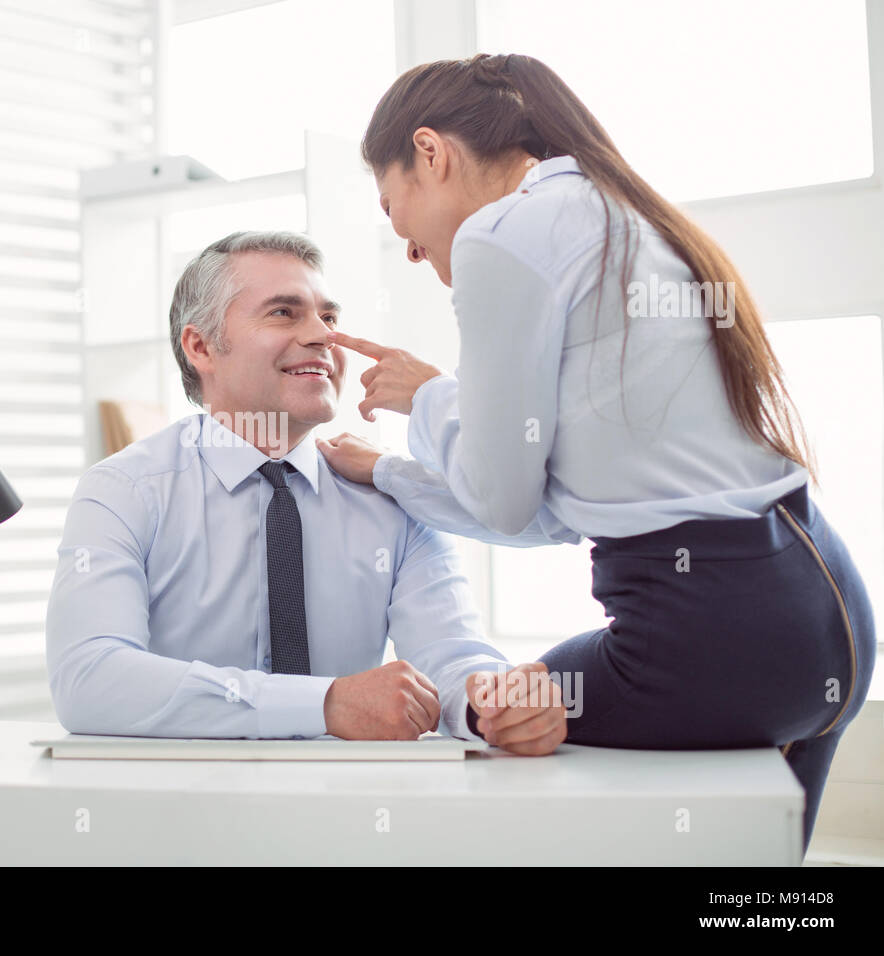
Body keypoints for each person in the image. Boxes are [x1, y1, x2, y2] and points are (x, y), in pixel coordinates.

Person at [315, 53, 875, 852]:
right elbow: (551, 517)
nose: (421, 257)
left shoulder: (500, 233)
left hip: (709, 636)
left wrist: (431, 396)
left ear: (430, 153)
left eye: (399, 223)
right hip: (826, 613)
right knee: (767, 887)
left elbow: (505, 500)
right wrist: (393, 473)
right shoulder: (621, 211)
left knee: (498, 715)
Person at [45, 230, 567, 751]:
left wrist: (492, 700)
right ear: (201, 346)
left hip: (345, 818)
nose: (323, 336)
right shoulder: (123, 492)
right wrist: (326, 704)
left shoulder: (387, 495)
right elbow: (89, 679)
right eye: (283, 313)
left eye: (329, 317)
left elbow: (451, 655)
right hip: (182, 816)